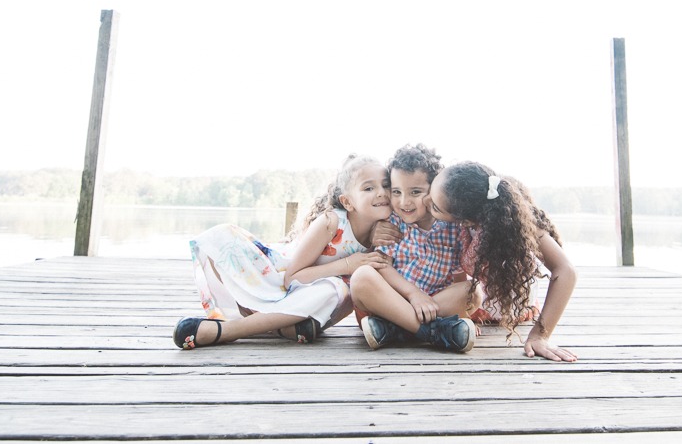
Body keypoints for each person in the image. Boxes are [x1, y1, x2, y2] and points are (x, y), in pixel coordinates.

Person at [172, 154, 395, 349]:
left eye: (386, 186)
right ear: (348, 202)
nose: (381, 193)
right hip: (277, 278)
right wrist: (348, 264)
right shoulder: (331, 222)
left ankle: (265, 327)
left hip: (314, 299)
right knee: (220, 236)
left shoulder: (388, 230)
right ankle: (244, 328)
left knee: (339, 290)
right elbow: (293, 276)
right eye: (369, 188)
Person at [427, 161, 578, 362]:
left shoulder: (515, 222)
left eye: (435, 207)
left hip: (506, 304)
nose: (425, 201)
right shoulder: (464, 218)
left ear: (465, 219)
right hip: (480, 295)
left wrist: (541, 334)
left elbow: (566, 270)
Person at [350, 144, 480, 353]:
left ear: (434, 190)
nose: (404, 202)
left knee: (473, 292)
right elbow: (383, 266)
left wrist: (463, 313)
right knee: (361, 277)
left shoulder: (451, 224)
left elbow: (459, 275)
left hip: (435, 303)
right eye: (396, 192)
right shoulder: (391, 221)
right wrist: (413, 294)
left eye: (416, 192)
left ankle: (396, 329)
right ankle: (434, 332)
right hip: (392, 302)